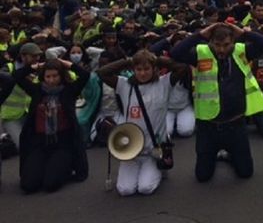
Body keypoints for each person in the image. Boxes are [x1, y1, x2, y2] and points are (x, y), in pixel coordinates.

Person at [170, 22, 263, 182]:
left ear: (233, 41)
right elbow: (175, 53)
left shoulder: (242, 51)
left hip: (235, 124)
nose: (221, 50)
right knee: (203, 176)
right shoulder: (200, 53)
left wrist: (244, 34)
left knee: (246, 173)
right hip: (208, 125)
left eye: (226, 45)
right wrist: (200, 35)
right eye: (217, 45)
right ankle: (216, 155)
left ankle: (229, 155)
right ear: (210, 41)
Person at [97, 50, 188, 196]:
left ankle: (159, 169)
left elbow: (182, 68)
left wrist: (158, 59)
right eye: (138, 69)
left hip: (154, 149)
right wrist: (127, 61)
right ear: (133, 70)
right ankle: (139, 170)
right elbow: (102, 72)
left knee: (145, 188)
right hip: (131, 149)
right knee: (125, 190)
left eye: (147, 69)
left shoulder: (164, 83)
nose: (143, 73)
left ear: (154, 69)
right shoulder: (124, 85)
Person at [11, 58, 90, 193]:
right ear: (43, 76)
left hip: (62, 144)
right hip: (40, 144)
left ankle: (65, 167)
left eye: (55, 76)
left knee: (50, 184)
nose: (51, 80)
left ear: (61, 75)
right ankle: (45, 167)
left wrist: (67, 64)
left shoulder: (69, 91)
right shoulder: (37, 90)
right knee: (28, 185)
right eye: (48, 76)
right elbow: (16, 76)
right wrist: (35, 67)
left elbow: (85, 75)